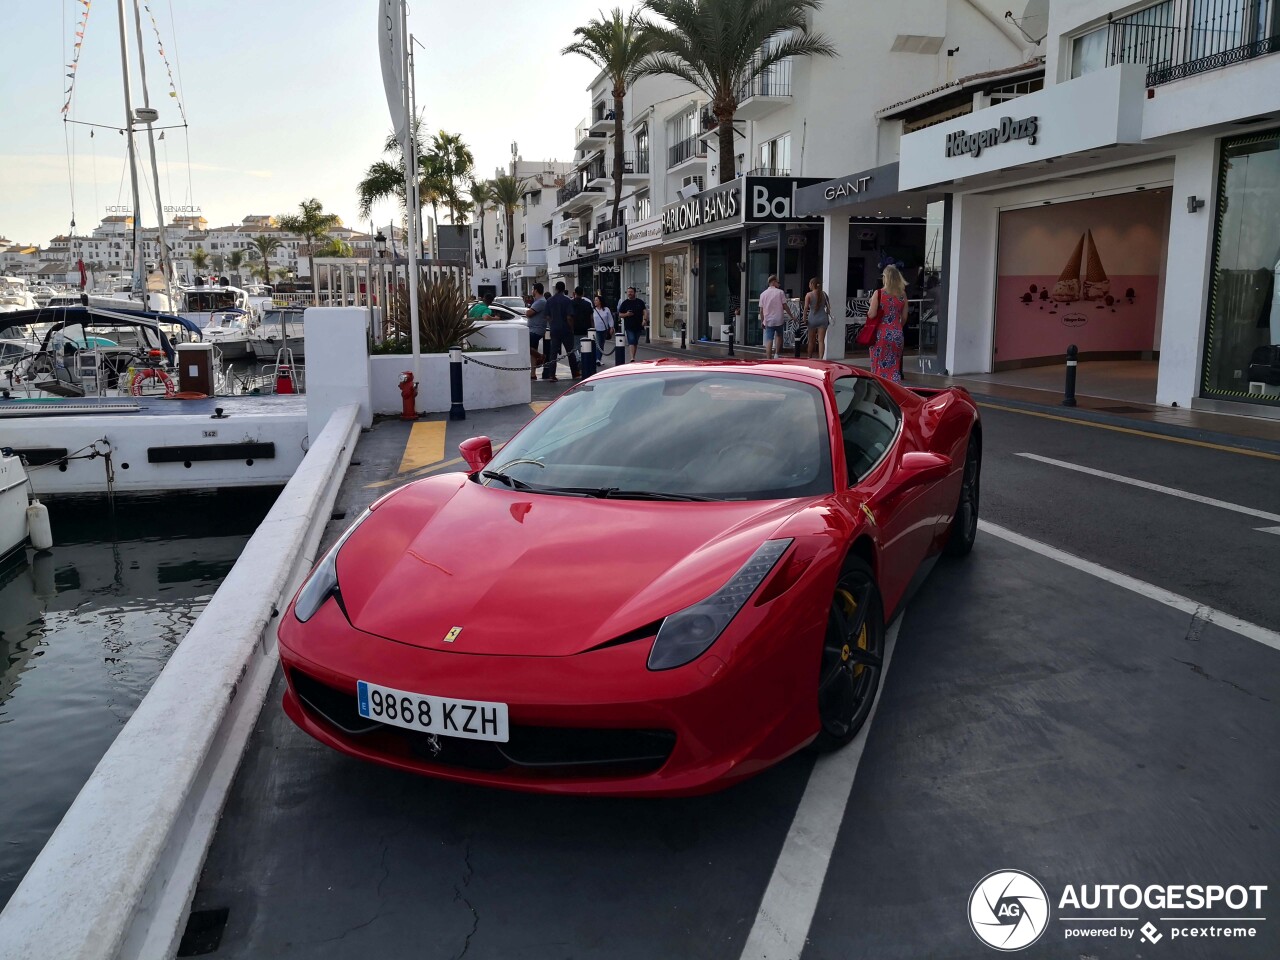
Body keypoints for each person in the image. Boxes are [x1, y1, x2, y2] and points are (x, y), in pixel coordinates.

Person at [868, 264, 908, 382]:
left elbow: (872, 314)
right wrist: (897, 327)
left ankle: (880, 390)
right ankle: (894, 389)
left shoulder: (879, 293)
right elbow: (905, 317)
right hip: (897, 333)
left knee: (878, 365)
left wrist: (871, 303)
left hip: (880, 334)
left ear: (885, 277)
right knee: (895, 366)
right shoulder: (903, 294)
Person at [541, 280, 580, 381]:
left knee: (553, 353)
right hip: (566, 329)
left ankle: (551, 375)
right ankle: (575, 373)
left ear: (556, 289)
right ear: (564, 289)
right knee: (570, 351)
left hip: (554, 329)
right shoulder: (567, 300)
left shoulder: (550, 300)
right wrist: (571, 328)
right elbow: (569, 317)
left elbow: (546, 316)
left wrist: (552, 321)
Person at [758, 274, 794, 360]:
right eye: (778, 282)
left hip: (768, 320)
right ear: (773, 282)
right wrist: (791, 316)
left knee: (769, 339)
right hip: (779, 319)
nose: (779, 284)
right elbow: (785, 306)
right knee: (779, 336)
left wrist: (762, 321)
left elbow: (761, 310)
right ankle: (776, 354)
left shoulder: (763, 294)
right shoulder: (780, 292)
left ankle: (768, 358)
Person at [801, 277, 832, 360]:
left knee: (811, 341)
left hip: (812, 319)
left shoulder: (809, 295)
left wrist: (804, 318)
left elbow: (805, 308)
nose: (809, 286)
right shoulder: (824, 294)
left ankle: (809, 357)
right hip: (823, 318)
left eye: (809, 284)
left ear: (812, 284)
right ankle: (821, 358)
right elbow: (829, 309)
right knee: (821, 341)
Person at [617, 286, 648, 361]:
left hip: (638, 325)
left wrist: (645, 319)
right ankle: (632, 358)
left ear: (634, 293)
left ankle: (633, 356)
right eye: (628, 292)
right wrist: (627, 314)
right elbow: (620, 314)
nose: (629, 293)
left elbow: (645, 311)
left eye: (631, 292)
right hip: (629, 326)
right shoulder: (625, 303)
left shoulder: (640, 302)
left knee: (635, 341)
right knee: (631, 340)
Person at [525, 283, 547, 381]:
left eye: (532, 289)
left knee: (525, 345)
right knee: (532, 351)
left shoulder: (541, 301)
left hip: (536, 330)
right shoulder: (537, 301)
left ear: (536, 290)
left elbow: (529, 313)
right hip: (534, 329)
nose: (531, 291)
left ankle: (540, 356)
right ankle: (533, 374)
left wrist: (527, 311)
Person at [591, 294, 614, 363]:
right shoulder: (593, 310)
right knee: (597, 344)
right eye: (594, 300)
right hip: (596, 330)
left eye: (596, 300)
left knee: (601, 344)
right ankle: (597, 359)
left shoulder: (606, 309)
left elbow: (610, 319)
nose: (595, 301)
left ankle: (599, 358)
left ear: (600, 301)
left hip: (604, 329)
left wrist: (611, 327)